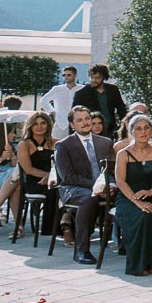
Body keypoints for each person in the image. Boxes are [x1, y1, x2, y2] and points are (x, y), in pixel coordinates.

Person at [53, 106, 111, 265]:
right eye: (79, 120)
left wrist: (110, 185)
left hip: (104, 187)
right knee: (89, 198)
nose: (85, 123)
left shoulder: (105, 143)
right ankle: (81, 250)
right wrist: (97, 186)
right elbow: (68, 176)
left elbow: (112, 170)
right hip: (73, 188)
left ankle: (128, 247)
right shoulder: (63, 145)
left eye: (87, 118)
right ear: (72, 125)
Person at [113, 114, 152, 277]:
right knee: (141, 216)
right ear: (132, 132)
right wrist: (139, 203)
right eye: (139, 129)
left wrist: (151, 191)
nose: (143, 132)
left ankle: (151, 261)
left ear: (151, 130)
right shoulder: (123, 154)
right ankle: (137, 265)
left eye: (146, 128)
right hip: (129, 197)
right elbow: (120, 182)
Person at [16, 111, 58, 237]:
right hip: (34, 182)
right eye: (35, 124)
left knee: (65, 189)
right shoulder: (24, 144)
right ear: (30, 126)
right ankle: (50, 229)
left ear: (48, 125)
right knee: (54, 190)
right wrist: (48, 176)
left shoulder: (56, 143)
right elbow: (28, 169)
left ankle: (65, 226)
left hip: (53, 178)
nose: (39, 126)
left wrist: (51, 176)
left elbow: (62, 164)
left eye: (43, 123)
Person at [72, 64, 129, 136]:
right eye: (91, 77)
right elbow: (74, 114)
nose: (93, 80)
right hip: (92, 131)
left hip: (111, 130)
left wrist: (124, 127)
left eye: (97, 78)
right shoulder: (81, 94)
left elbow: (121, 109)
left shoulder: (113, 90)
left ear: (103, 78)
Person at [40, 66, 80, 139]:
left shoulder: (81, 89)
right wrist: (52, 111)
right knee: (56, 144)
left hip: (78, 124)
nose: (66, 77)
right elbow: (43, 101)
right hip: (60, 124)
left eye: (69, 75)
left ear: (75, 75)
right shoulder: (57, 89)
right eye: (64, 75)